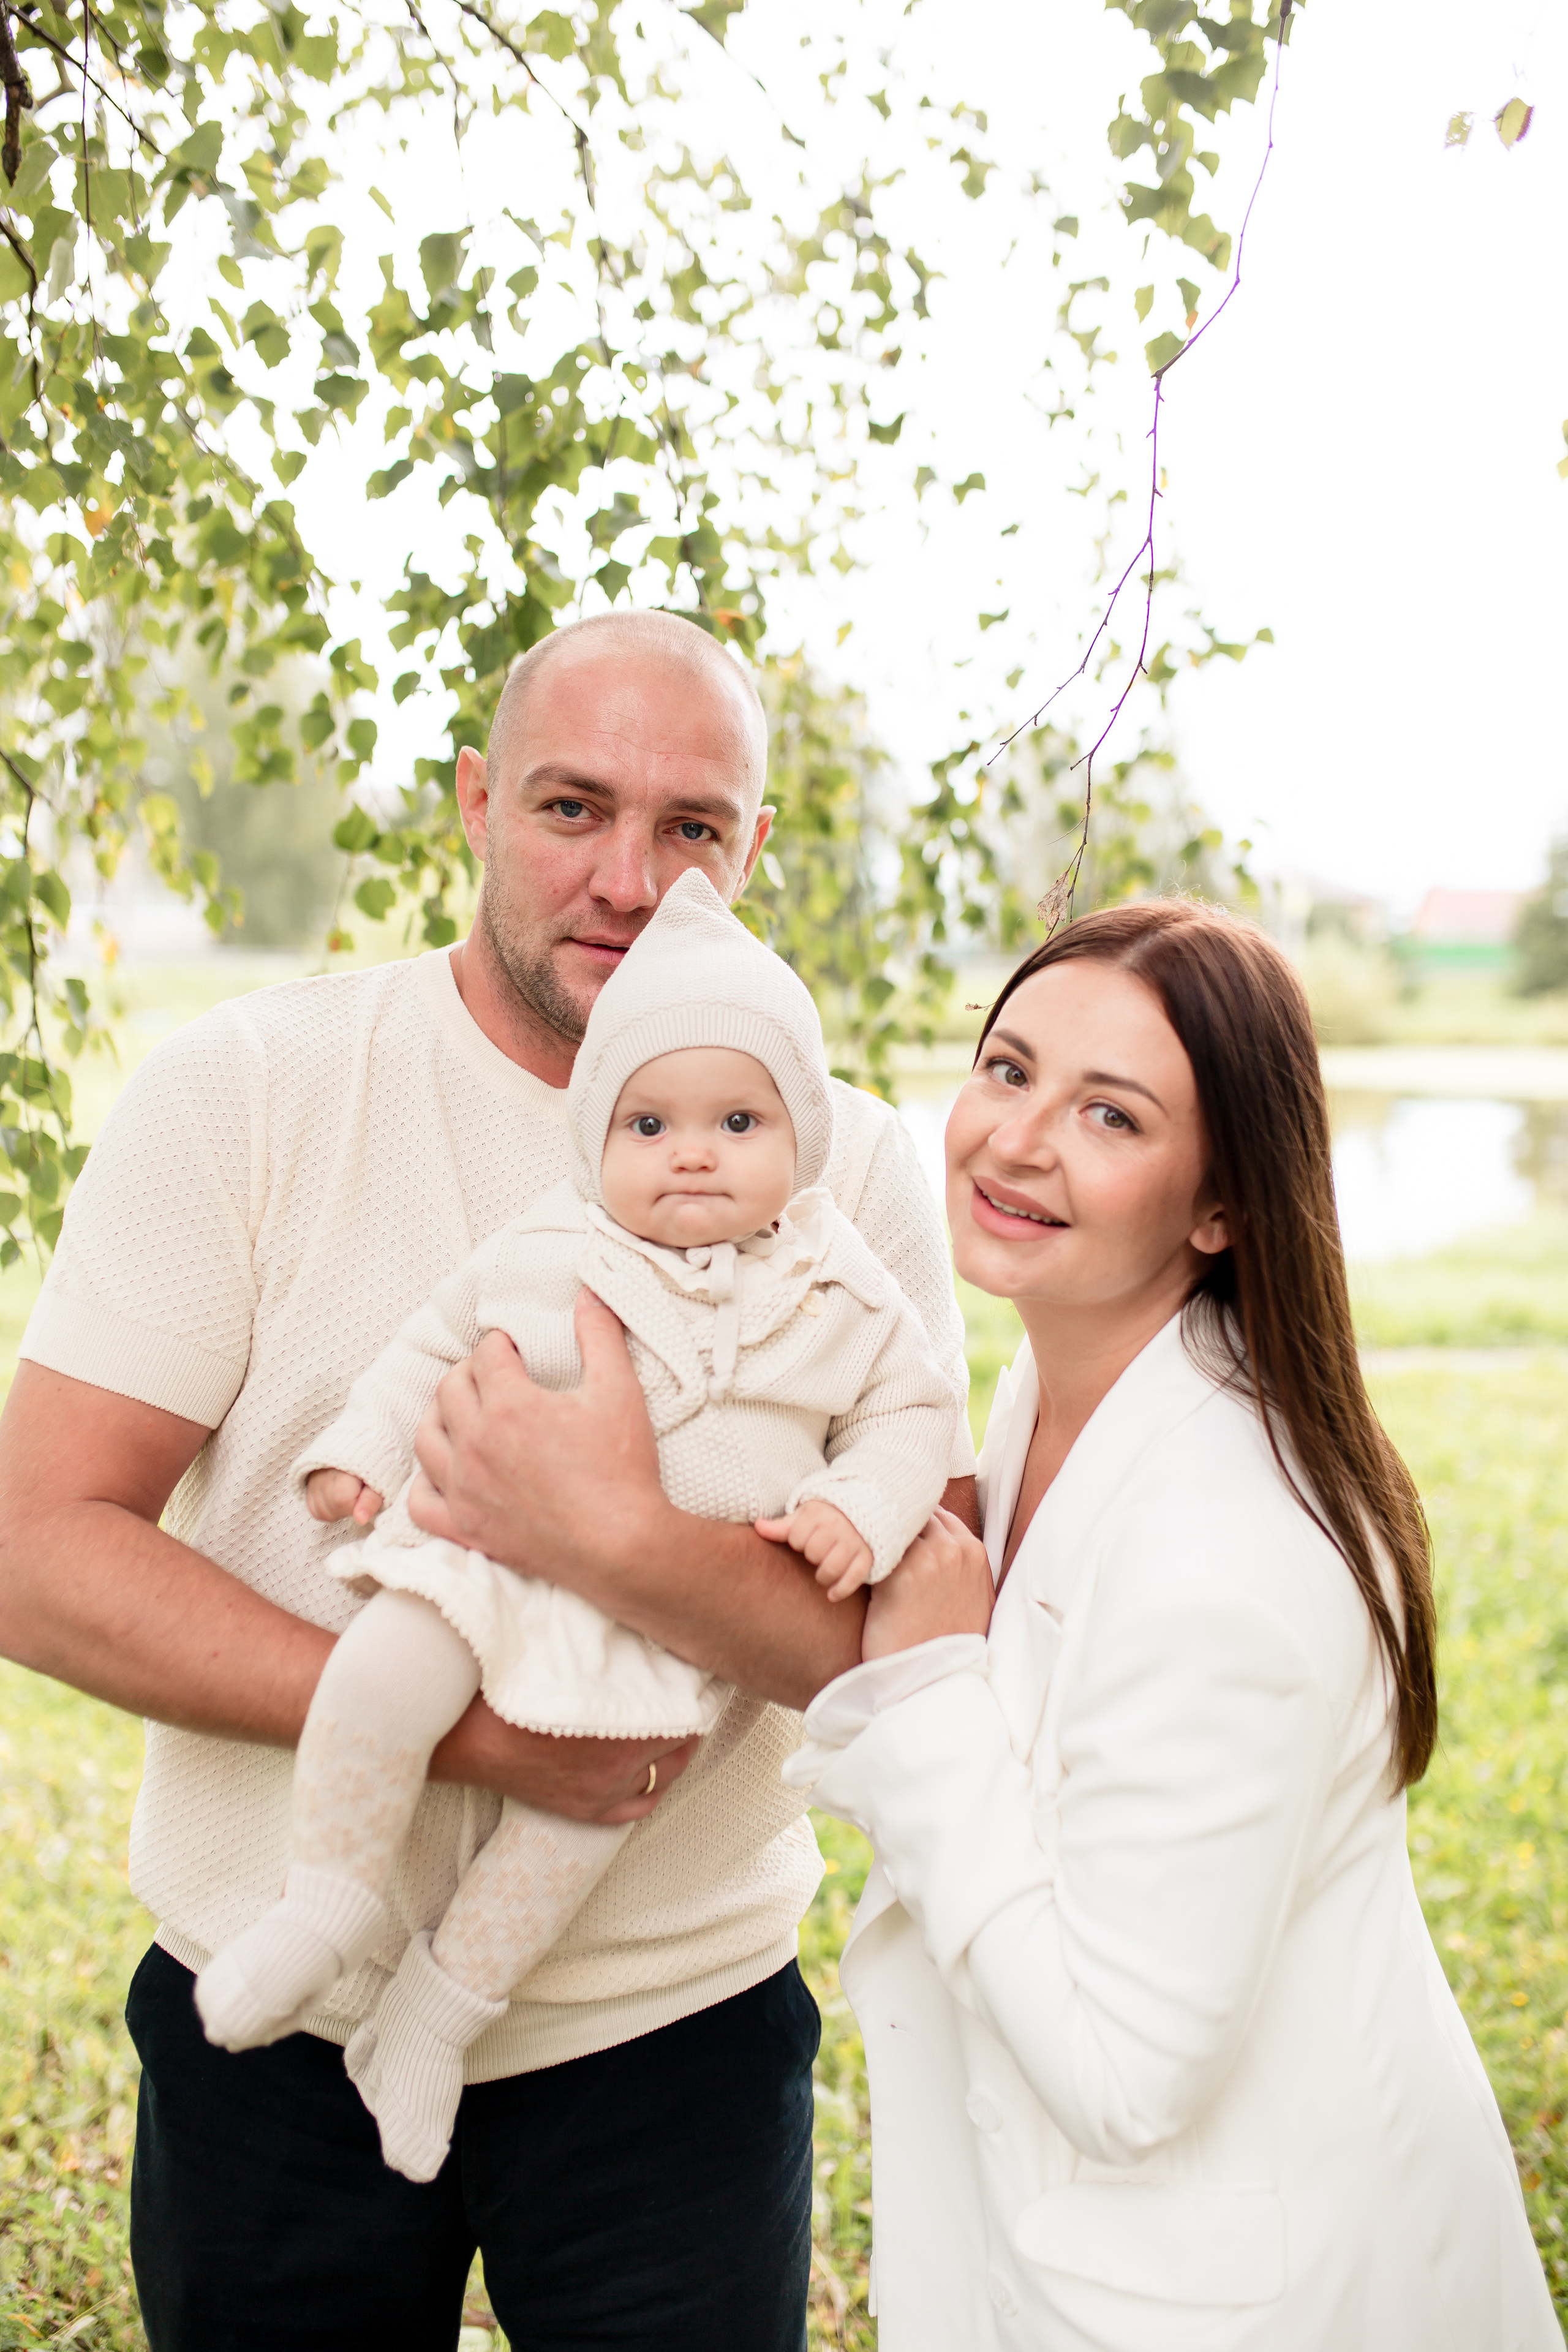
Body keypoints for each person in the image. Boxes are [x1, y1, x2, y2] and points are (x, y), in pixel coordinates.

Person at [0, 609, 976, 2352]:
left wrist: (608, 1535)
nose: (629, 875)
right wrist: (464, 1730)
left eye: (692, 827)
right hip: (272, 2041)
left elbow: (916, 1647)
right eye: (569, 807)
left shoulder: (854, 1171)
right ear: (470, 802)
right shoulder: (253, 1092)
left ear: (751, 847)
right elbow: (32, 1548)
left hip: (676, 2040)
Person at [787, 899, 1559, 2351]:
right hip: (1077, 2244)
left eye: (1109, 1115)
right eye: (1006, 1070)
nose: (1013, 1140)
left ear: (1219, 1206)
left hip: (1238, 2287)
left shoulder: (1231, 1553)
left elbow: (1126, 2075)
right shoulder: (1051, 1386)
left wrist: (935, 1688)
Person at [195, 867, 959, 2185]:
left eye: (737, 1118)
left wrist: (857, 1503)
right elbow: (430, 1343)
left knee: (577, 1833)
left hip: (664, 1642)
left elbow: (913, 1414)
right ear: (597, 1144)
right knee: (383, 1668)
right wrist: (361, 1455)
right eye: (648, 1123)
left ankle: (434, 2018)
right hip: (484, 1572)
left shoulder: (843, 1279)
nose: (692, 1151)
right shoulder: (551, 1245)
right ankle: (323, 1904)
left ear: (804, 1139)